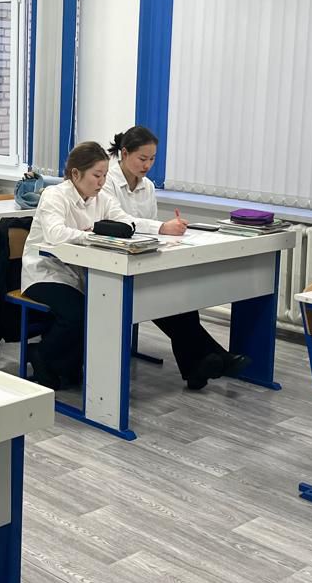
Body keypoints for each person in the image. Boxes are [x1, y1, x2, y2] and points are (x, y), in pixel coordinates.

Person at [101, 125, 250, 389]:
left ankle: (198, 368)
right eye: (142, 158)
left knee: (179, 298)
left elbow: (148, 225)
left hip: (142, 258)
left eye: (152, 159)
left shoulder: (147, 186)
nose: (148, 165)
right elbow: (119, 221)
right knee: (166, 301)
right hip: (113, 263)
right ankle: (212, 360)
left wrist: (168, 232)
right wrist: (161, 228)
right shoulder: (107, 182)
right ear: (124, 153)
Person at [20, 141, 135, 390]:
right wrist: (90, 235)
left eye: (105, 175)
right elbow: (55, 234)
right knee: (79, 313)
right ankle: (42, 354)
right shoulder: (55, 195)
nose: (102, 182)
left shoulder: (101, 199)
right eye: (96, 175)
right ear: (75, 174)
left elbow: (126, 221)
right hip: (45, 273)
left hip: (79, 274)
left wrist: (151, 228)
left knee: (101, 310)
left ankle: (65, 366)